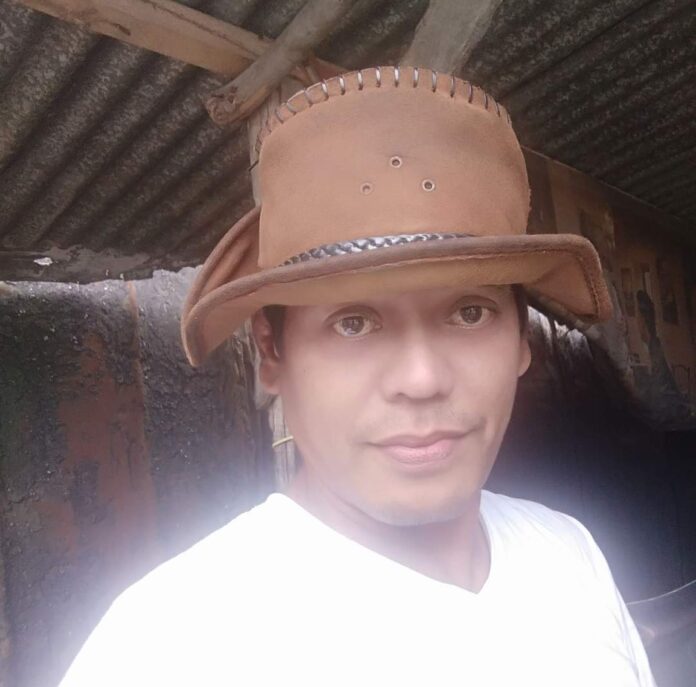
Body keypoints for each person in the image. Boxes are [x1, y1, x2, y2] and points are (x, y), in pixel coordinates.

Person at [59, 66, 655, 686]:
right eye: (353, 323)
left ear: (521, 340)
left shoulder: (569, 552)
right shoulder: (166, 646)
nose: (421, 379)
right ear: (272, 352)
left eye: (469, 312)